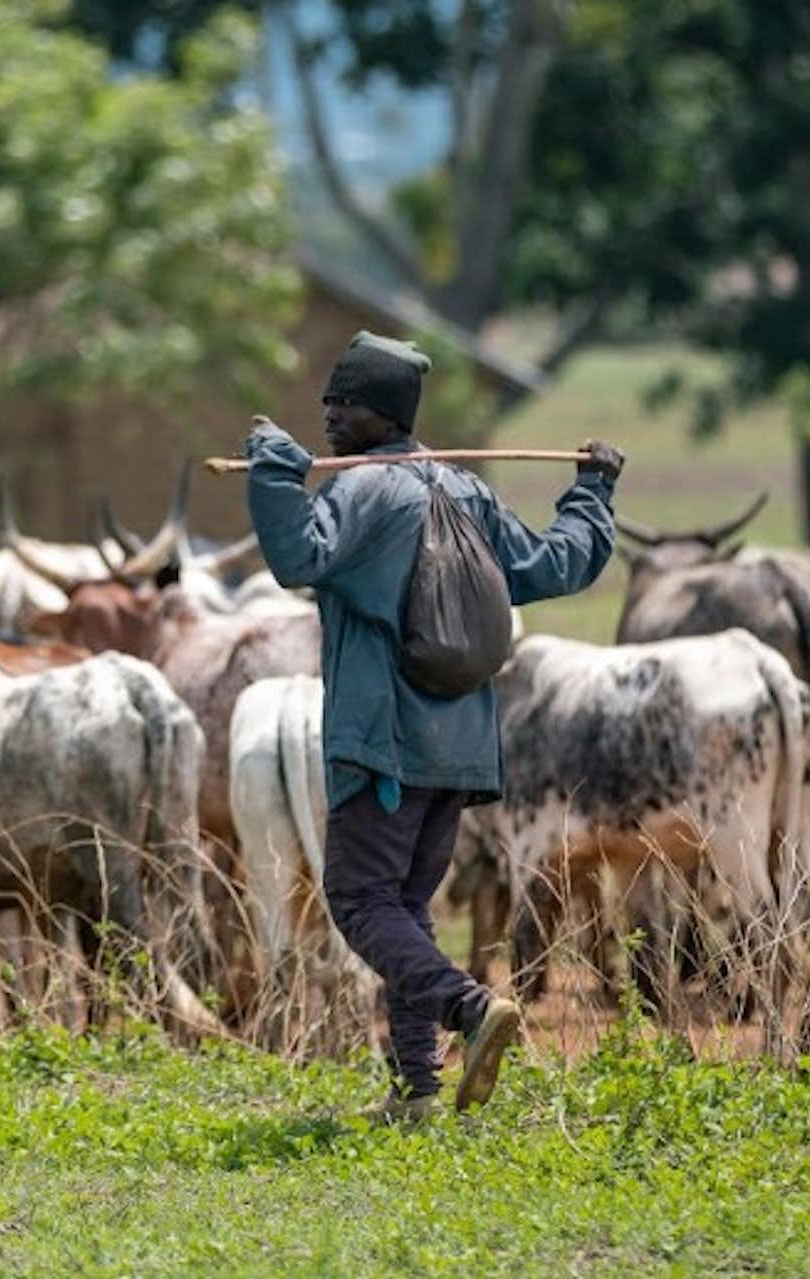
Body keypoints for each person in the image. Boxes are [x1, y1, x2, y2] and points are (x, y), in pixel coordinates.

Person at [243, 331, 621, 1120]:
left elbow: (298, 560)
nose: (329, 417)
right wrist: (592, 490)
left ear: (382, 415)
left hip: (383, 746)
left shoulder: (365, 492)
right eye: (327, 405)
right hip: (460, 749)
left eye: (342, 404)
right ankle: (416, 1089)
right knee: (406, 909)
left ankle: (472, 1008)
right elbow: (556, 564)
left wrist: (276, 475)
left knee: (357, 901)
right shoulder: (470, 495)